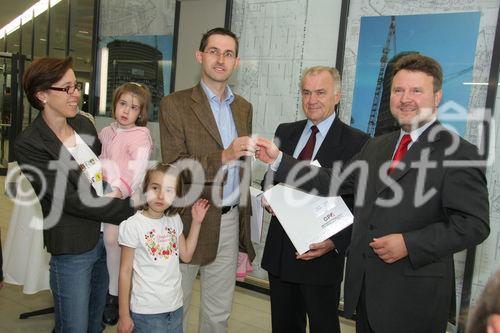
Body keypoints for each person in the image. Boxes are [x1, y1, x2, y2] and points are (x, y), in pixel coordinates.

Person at [255, 53, 490, 333]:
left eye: (417, 91)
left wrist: (410, 243)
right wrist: (280, 159)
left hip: (416, 298)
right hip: (368, 293)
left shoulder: (459, 153)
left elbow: (474, 224)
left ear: (437, 97)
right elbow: (333, 181)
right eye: (398, 90)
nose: (405, 99)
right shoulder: (377, 147)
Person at [14, 57, 135, 333]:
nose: (76, 94)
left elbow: (104, 174)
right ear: (42, 95)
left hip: (106, 240)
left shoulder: (83, 125)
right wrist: (133, 207)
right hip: (73, 249)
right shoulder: (29, 144)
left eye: (76, 86)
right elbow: (73, 200)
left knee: (95, 324)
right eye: (66, 89)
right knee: (74, 327)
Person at [159, 27, 255, 333]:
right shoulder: (174, 104)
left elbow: (242, 168)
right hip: (190, 218)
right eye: (213, 51)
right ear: (200, 56)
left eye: (228, 54)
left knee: (218, 313)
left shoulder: (243, 108)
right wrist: (223, 156)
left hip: (228, 221)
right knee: (176, 305)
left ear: (236, 62)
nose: (220, 59)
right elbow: (175, 165)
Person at [260, 66, 368, 333]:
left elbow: (360, 203)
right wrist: (267, 195)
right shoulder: (286, 131)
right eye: (306, 92)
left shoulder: (358, 142)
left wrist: (334, 243)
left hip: (322, 256)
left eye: (320, 92)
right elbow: (270, 176)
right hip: (282, 253)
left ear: (337, 95)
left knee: (324, 327)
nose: (312, 100)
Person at [117, 163, 210, 333]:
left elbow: (187, 255)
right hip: (146, 313)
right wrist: (124, 315)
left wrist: (196, 223)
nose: (161, 196)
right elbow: (125, 271)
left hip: (175, 307)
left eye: (169, 190)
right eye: (155, 188)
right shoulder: (133, 225)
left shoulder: (173, 220)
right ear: (145, 189)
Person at [99, 82, 153, 325]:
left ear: (140, 113)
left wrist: (119, 189)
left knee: (113, 240)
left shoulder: (141, 136)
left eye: (133, 107)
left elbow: (137, 171)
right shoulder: (107, 131)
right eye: (122, 104)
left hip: (124, 198)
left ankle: (115, 295)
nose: (126, 111)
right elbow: (99, 158)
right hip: (100, 191)